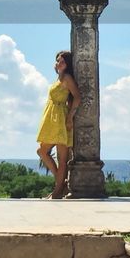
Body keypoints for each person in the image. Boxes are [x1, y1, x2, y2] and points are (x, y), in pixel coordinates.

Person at [37, 50, 81, 199]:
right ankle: (60, 184)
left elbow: (77, 97)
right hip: (52, 119)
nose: (58, 63)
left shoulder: (67, 78)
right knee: (42, 151)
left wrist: (70, 117)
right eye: (57, 61)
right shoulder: (59, 78)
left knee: (61, 158)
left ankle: (57, 190)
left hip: (61, 118)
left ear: (67, 64)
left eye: (62, 61)